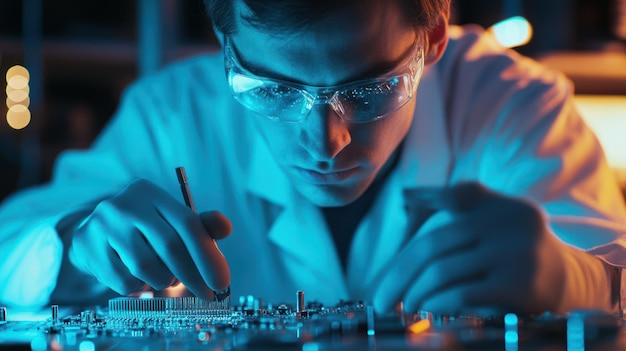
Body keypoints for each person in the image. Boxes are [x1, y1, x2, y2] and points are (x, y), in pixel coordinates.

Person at [1, 0, 625, 317]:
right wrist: (74, 250)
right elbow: (11, 246)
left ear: (432, 38)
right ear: (227, 47)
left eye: (369, 89)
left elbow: (612, 272)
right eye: (272, 90)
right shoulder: (171, 114)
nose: (326, 143)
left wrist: (581, 280)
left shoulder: (515, 104)